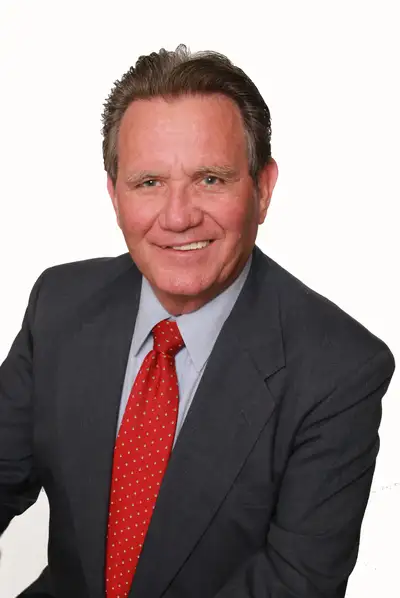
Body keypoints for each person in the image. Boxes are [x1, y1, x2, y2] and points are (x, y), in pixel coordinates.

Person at [0, 44, 395, 598]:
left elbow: (295, 585)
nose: (179, 216)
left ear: (263, 189)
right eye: (149, 182)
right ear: (114, 194)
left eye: (210, 179)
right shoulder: (61, 305)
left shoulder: (339, 369)